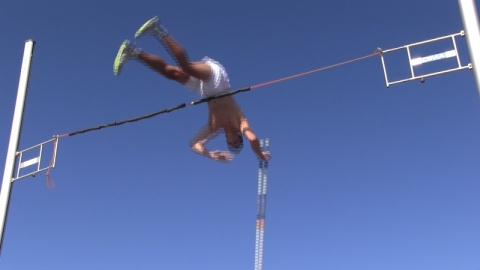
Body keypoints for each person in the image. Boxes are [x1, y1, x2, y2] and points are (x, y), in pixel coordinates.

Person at [113, 16, 270, 162]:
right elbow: (253, 138)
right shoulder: (241, 123)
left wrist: (211, 155)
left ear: (227, 141)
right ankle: (157, 28)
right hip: (218, 82)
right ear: (238, 136)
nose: (233, 141)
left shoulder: (214, 127)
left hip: (204, 91)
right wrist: (260, 154)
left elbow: (194, 144)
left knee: (171, 73)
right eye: (237, 141)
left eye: (231, 143)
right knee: (186, 67)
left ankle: (132, 51)